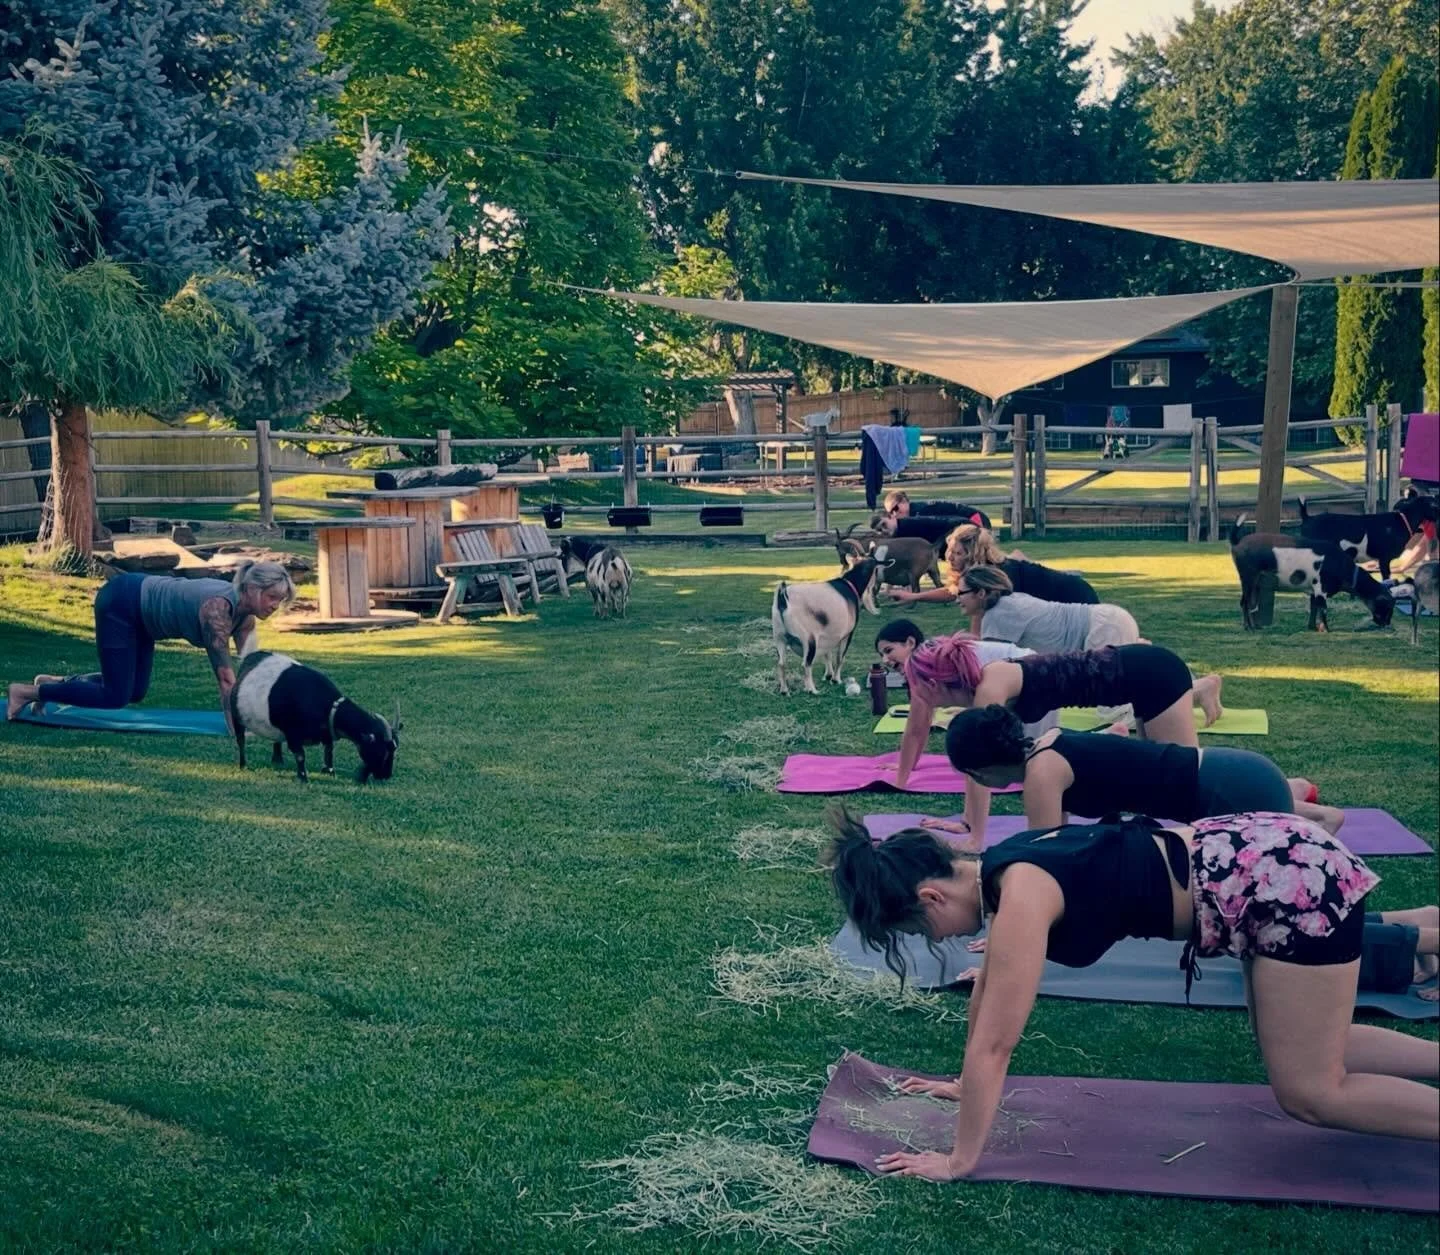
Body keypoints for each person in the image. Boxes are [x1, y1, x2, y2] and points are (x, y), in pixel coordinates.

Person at [824, 809, 1439, 1182]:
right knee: (1305, 1041)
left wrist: (958, 1159)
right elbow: (989, 991)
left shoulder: (1022, 896)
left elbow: (996, 1044)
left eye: (918, 930)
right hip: (1266, 857)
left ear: (931, 896)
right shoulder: (1003, 864)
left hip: (1281, 879)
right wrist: (963, 1085)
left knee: (1309, 1092)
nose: (935, 940)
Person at [894, 636, 1217, 836]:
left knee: (1184, 784)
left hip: (1152, 675)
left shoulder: (989, 688)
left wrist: (975, 837)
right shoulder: (985, 686)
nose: (914, 696)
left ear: (933, 684)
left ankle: (1228, 841)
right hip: (1139, 674)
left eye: (914, 687)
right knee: (1161, 780)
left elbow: (980, 766)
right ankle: (1197, 689)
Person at [937, 705, 1344, 845]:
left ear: (981, 771)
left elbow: (1040, 857)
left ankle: (1310, 825)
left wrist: (1007, 928)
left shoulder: (1042, 775)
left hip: (1228, 791)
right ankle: (1316, 815)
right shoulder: (1048, 744)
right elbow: (1053, 841)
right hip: (1237, 771)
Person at [6, 561, 294, 725]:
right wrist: (237, 731)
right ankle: (27, 692)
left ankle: (56, 683)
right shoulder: (217, 611)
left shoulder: (245, 620)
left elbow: (251, 671)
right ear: (251, 589)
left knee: (135, 691)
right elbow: (227, 680)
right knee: (115, 696)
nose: (274, 606)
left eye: (280, 600)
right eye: (272, 597)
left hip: (145, 619)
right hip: (122, 603)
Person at [955, 564, 1223, 726]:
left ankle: (1196, 690)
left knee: (1113, 713)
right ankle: (1189, 683)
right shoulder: (1007, 605)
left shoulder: (999, 613)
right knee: (1133, 685)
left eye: (961, 593)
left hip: (1103, 627)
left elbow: (993, 665)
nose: (956, 599)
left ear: (982, 593)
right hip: (1107, 621)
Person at [889, 524, 1097, 613]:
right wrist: (914, 597)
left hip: (1075, 596)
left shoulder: (992, 577)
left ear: (973, 555)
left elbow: (978, 630)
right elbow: (955, 591)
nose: (949, 558)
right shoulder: (982, 573)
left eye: (958, 553)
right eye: (950, 551)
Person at [883, 490, 993, 530]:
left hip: (974, 519)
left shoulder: (923, 511)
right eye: (890, 512)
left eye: (895, 508)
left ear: (904, 502)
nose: (894, 514)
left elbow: (956, 511)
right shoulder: (913, 517)